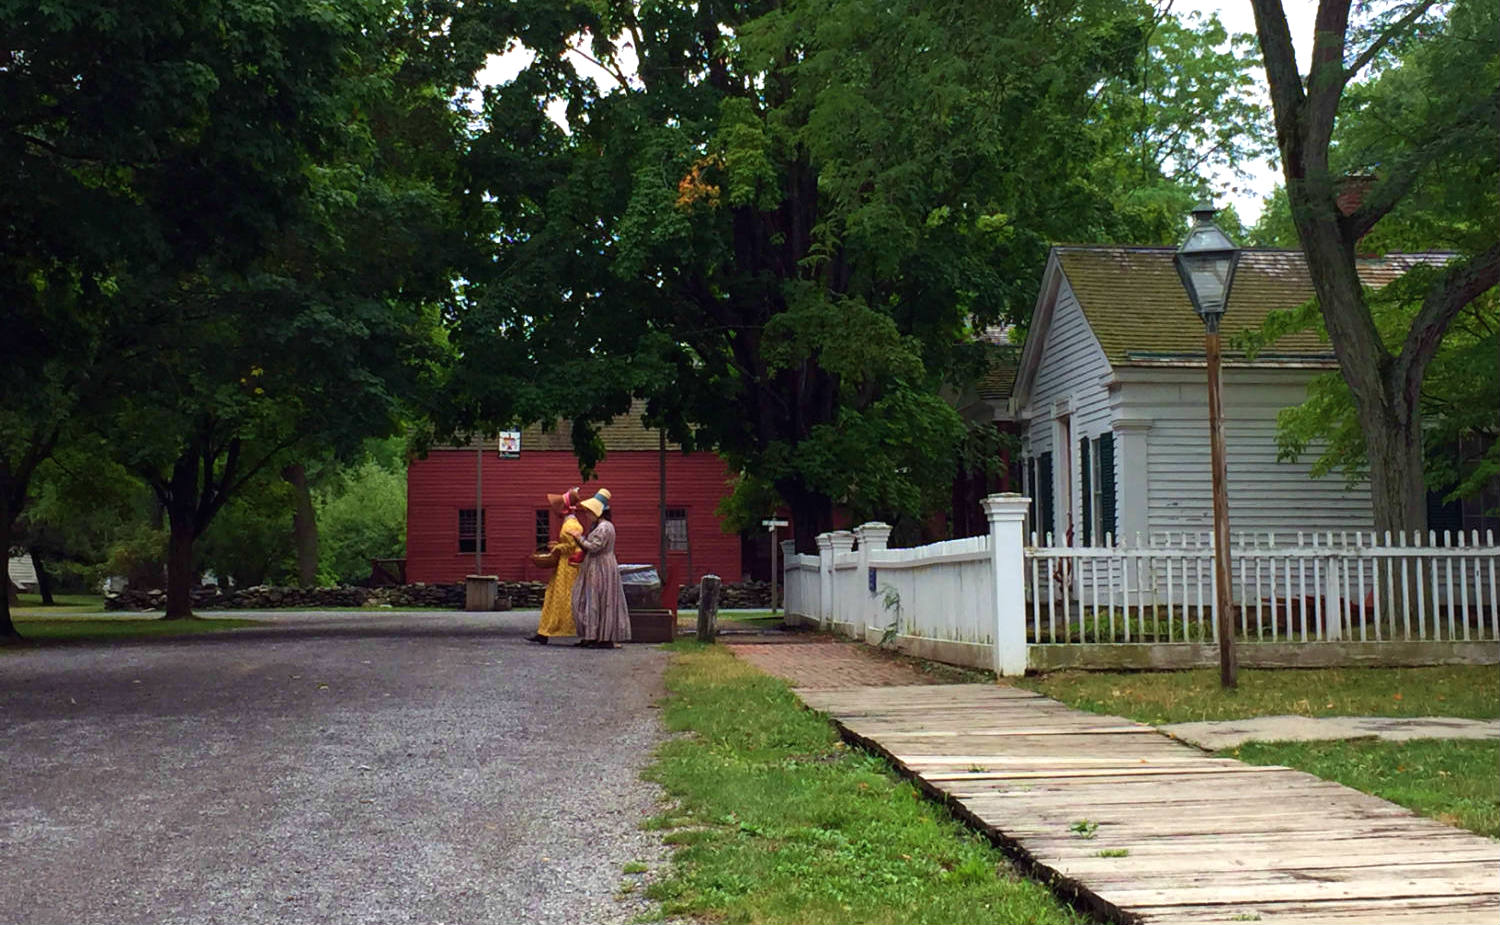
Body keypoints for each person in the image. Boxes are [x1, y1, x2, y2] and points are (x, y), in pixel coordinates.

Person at [570, 496, 631, 648]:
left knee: (597, 599)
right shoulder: (602, 526)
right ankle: (593, 635)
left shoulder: (604, 527)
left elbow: (594, 547)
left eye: (589, 512)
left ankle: (601, 637)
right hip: (597, 564)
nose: (587, 515)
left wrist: (579, 538)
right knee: (592, 598)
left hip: (600, 566)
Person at [528, 488, 585, 644]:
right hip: (565, 564)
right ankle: (544, 632)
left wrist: (558, 548)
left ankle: (554, 630)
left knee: (563, 597)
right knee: (555, 596)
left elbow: (574, 545)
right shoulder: (571, 523)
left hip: (568, 566)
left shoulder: (570, 525)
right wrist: (559, 545)